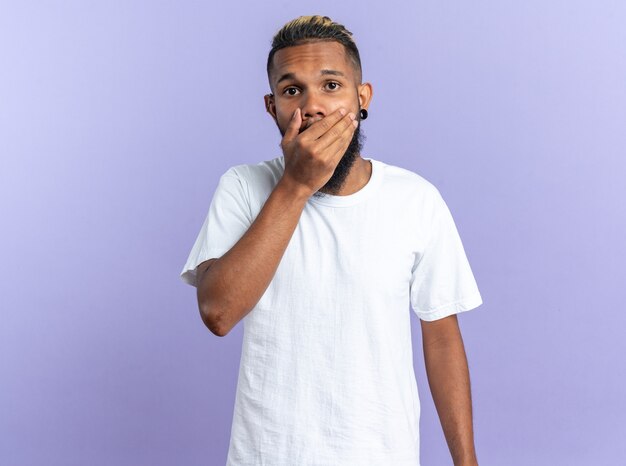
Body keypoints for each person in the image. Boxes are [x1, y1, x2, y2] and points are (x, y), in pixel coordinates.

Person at [180, 15, 483, 466]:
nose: (313, 106)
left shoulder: (416, 199)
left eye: (331, 86)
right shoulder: (243, 187)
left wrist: (467, 462)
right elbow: (218, 313)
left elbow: (441, 339)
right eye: (291, 91)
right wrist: (295, 186)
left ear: (363, 98)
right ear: (272, 108)